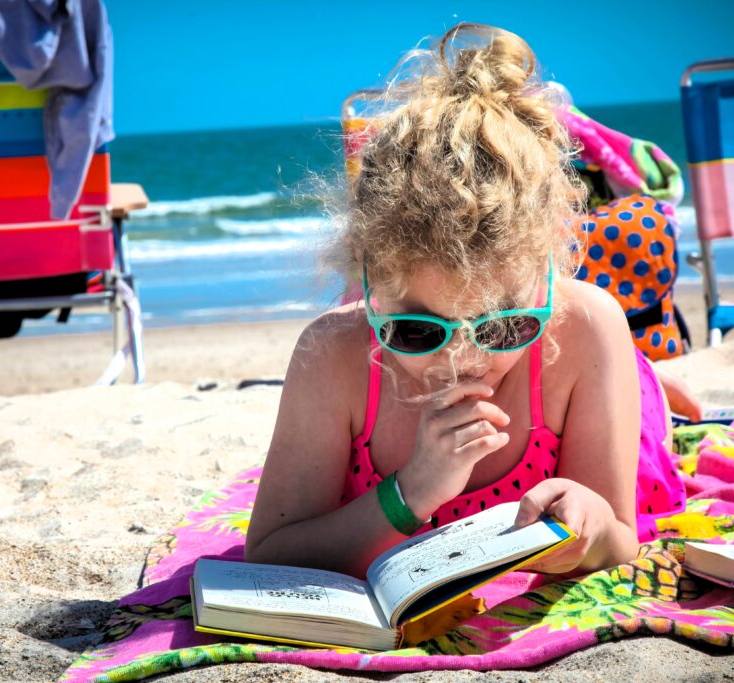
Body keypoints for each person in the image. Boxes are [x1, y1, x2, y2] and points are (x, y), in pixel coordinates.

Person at [245, 23, 699, 580]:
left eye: (504, 327)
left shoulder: (584, 325)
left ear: (547, 277)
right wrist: (410, 492)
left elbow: (619, 535)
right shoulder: (332, 353)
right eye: (417, 330)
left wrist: (589, 529)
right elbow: (269, 553)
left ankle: (646, 380)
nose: (462, 358)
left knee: (644, 407)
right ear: (366, 285)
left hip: (592, 371)